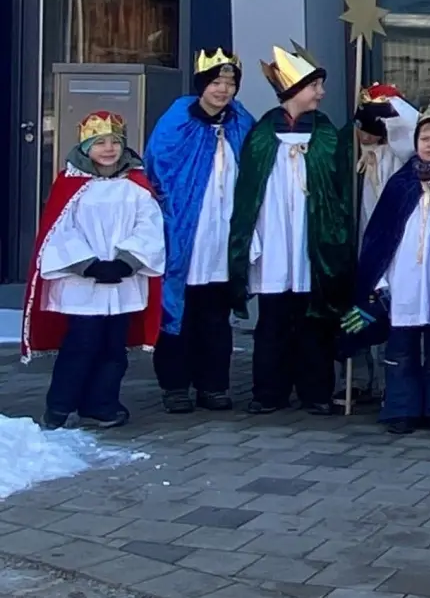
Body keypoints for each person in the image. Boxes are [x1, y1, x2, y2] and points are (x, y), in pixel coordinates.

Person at [341, 110, 430, 435]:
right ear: (416, 143)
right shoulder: (400, 184)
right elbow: (379, 237)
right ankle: (401, 408)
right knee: (401, 348)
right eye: (425, 139)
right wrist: (378, 281)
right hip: (402, 280)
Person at [229, 45, 354, 416]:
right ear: (294, 89)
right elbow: (248, 192)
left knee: (314, 318)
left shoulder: (326, 132)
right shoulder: (263, 134)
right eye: (314, 85)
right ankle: (269, 391)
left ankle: (316, 391)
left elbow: (339, 185)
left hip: (308, 237)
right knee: (273, 318)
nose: (321, 93)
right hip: (273, 239)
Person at [24, 112, 165, 430]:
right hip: (82, 284)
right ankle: (59, 407)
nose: (108, 148)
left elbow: (150, 226)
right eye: (100, 142)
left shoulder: (136, 185)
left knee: (114, 348)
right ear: (86, 147)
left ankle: (101, 405)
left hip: (121, 281)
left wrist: (126, 261)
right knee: (81, 345)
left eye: (115, 142)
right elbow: (59, 231)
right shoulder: (70, 186)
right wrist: (89, 265)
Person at [145, 48, 254, 413]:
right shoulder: (178, 119)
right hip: (184, 232)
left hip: (223, 236)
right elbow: (158, 170)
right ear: (201, 85)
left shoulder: (241, 122)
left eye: (230, 83)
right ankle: (175, 386)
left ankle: (214, 385)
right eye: (216, 82)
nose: (223, 90)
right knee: (178, 312)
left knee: (215, 314)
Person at [351, 83, 417, 239]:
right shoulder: (350, 146)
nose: (366, 137)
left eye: (372, 133)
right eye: (362, 130)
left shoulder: (399, 150)